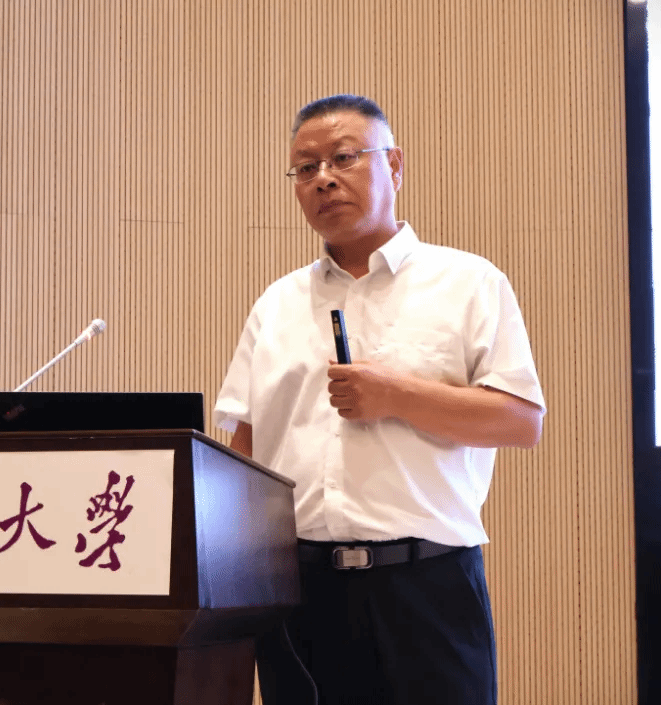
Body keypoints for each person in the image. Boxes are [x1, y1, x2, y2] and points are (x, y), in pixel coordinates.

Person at [214, 94, 546, 705]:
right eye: (306, 167)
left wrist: (396, 395)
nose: (323, 179)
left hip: (427, 586)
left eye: (344, 157)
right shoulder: (276, 304)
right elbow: (246, 448)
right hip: (301, 592)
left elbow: (520, 420)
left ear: (394, 165)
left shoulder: (469, 283)